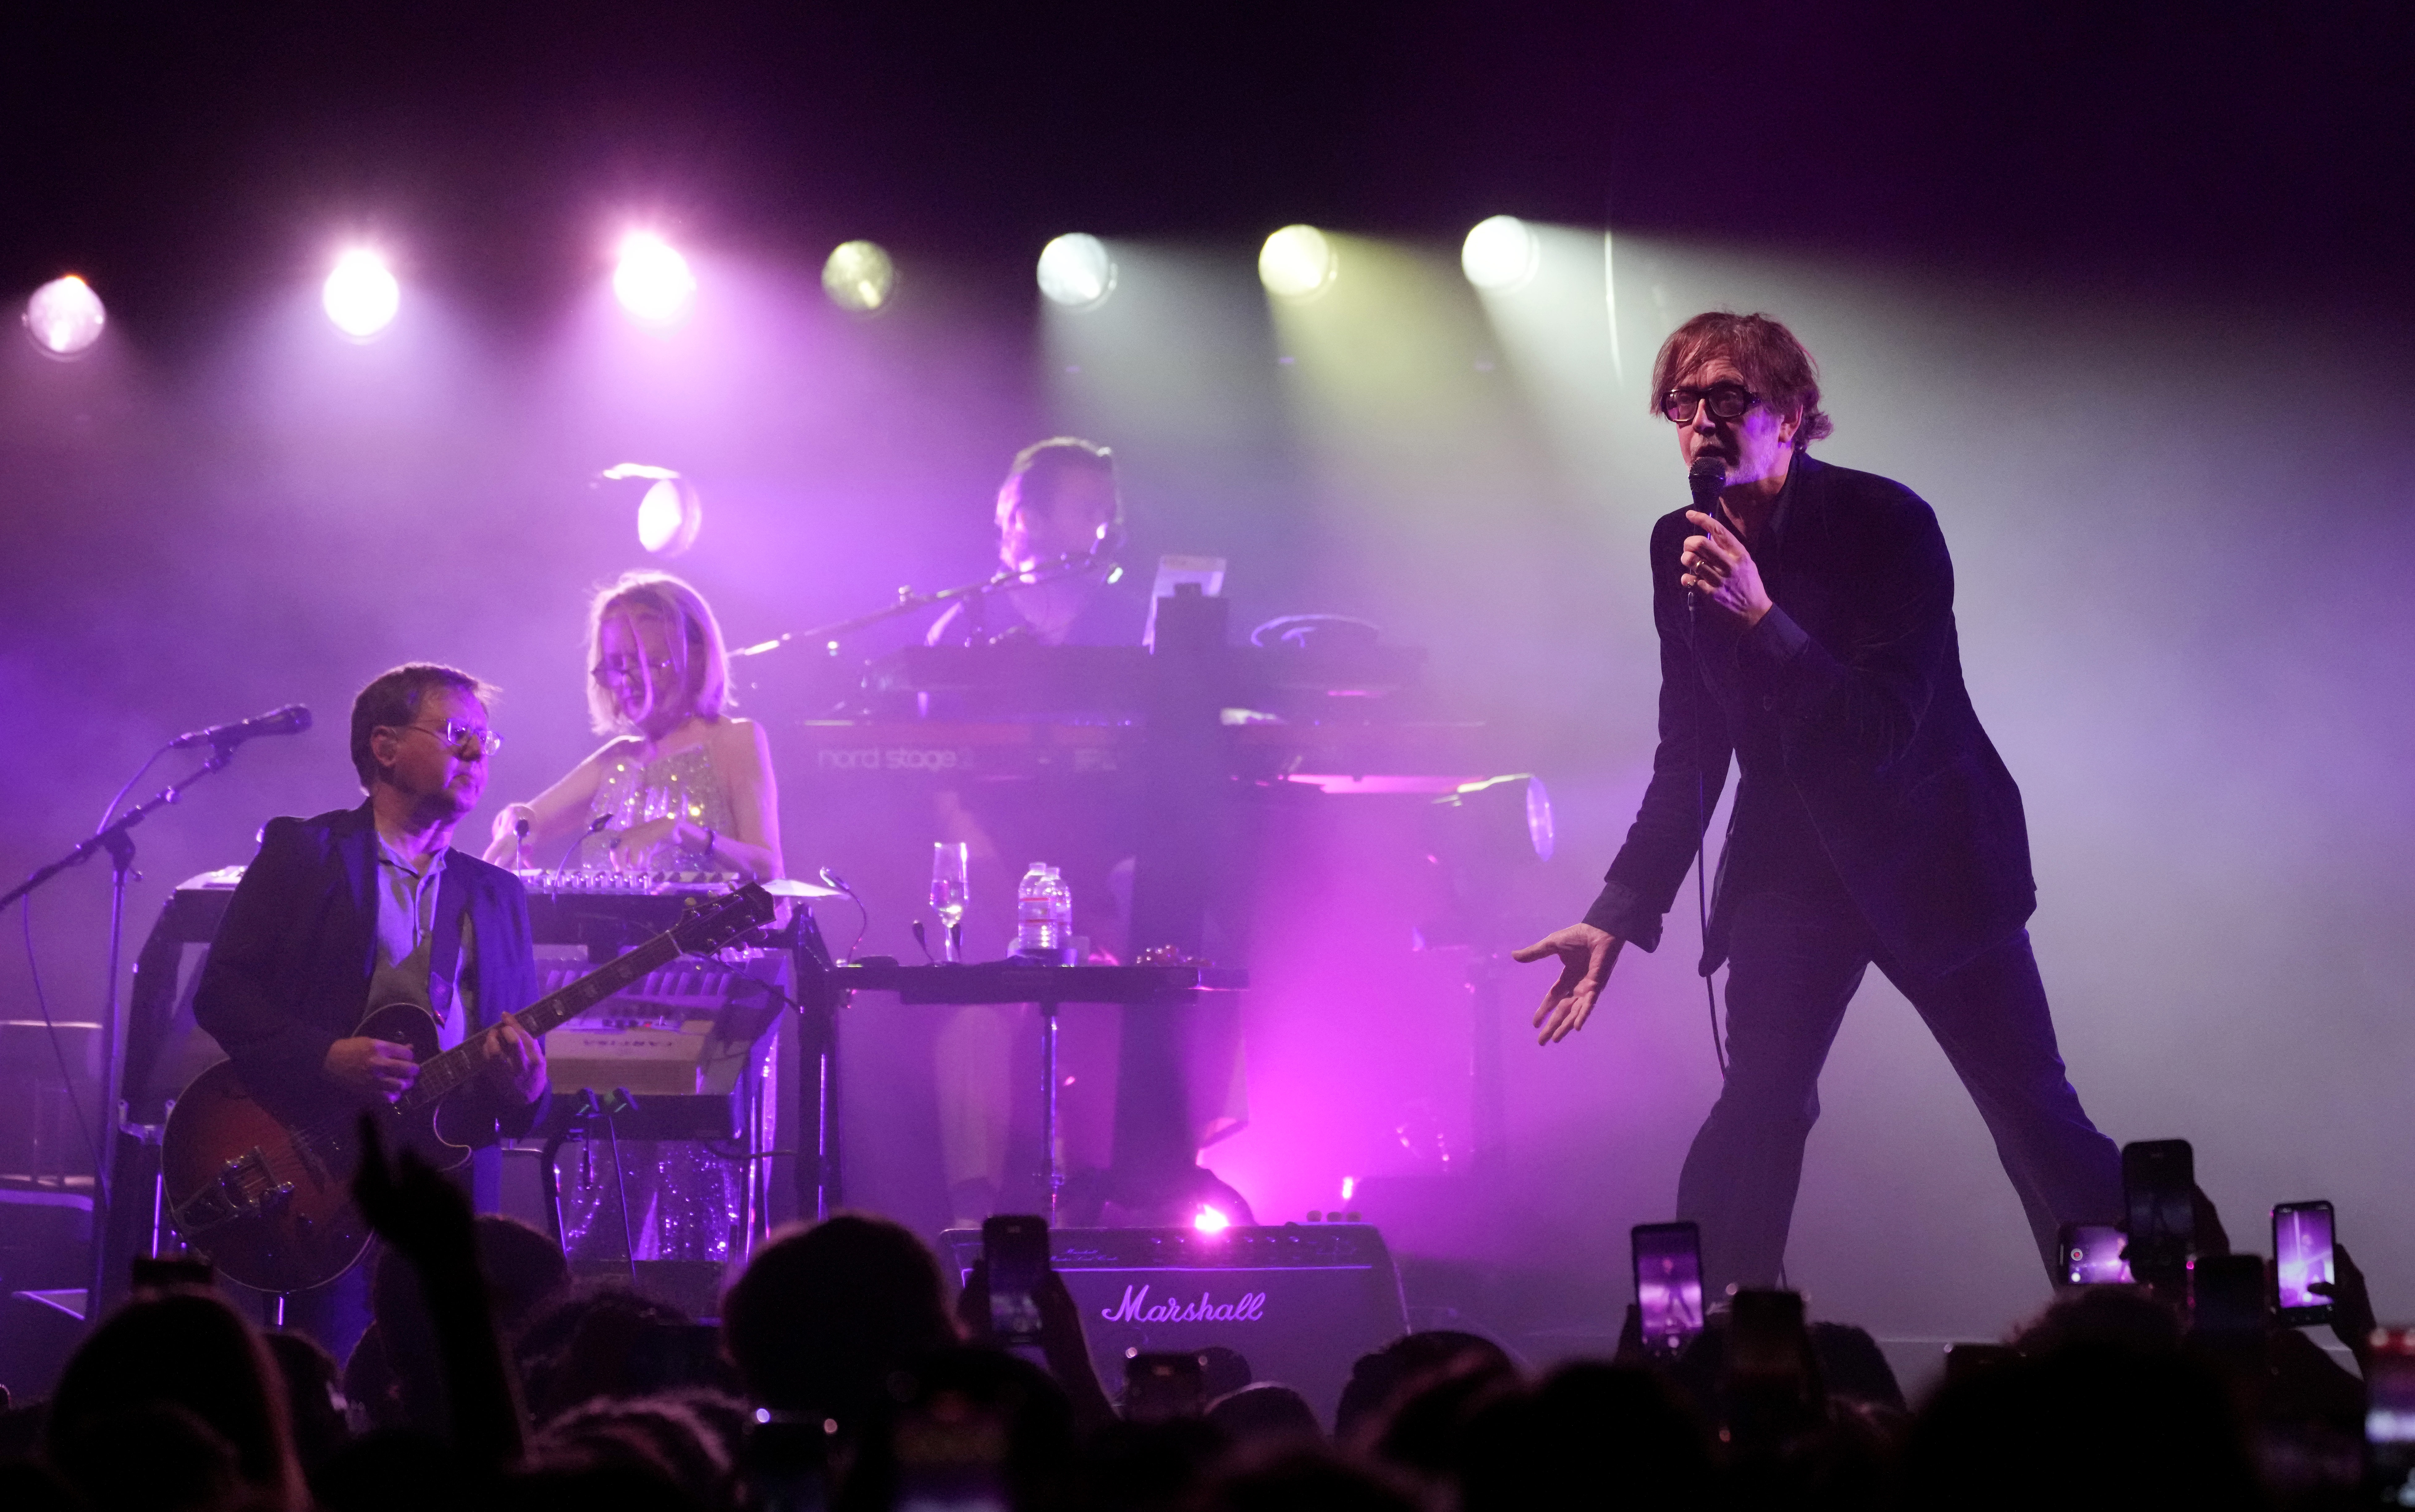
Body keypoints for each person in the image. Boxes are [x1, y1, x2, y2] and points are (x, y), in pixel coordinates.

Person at [1515, 311, 2122, 1294]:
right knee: (1758, 1105)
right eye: (1682, 402)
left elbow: (1881, 726)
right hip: (1791, 868)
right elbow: (1691, 750)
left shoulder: (1886, 522)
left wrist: (1761, 615)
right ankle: (1705, 1326)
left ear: (1792, 415)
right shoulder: (1680, 542)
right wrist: (1617, 910)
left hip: (1933, 854)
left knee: (2031, 1110)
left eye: (1728, 398)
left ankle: (2153, 1311)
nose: (1701, 421)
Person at [190, 662, 548, 1350]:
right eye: (456, 732)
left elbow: (522, 1077)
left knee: (452, 1379)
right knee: (332, 1359)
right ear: (384, 746)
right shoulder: (305, 852)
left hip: (450, 1184)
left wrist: (528, 1085)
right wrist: (325, 1056)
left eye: (484, 738)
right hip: (326, 1172)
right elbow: (223, 991)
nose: (476, 751)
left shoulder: (499, 894)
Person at [484, 570, 782, 882]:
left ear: (695, 657)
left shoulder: (734, 738)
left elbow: (768, 867)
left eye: (646, 662)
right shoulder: (618, 758)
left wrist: (680, 831)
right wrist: (515, 820)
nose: (627, 681)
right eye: (616, 665)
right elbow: (533, 820)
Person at [924, 436, 1146, 648]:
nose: (1108, 530)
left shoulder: (1136, 622)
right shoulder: (960, 631)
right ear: (1029, 521)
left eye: (1110, 515)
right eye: (1088, 513)